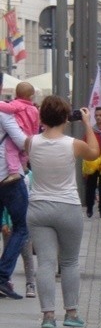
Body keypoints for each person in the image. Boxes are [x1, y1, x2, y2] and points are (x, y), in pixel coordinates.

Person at [26, 97, 99, 328]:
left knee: (45, 263)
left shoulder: (31, 142)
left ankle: (48, 316)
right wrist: (87, 123)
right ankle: (71, 313)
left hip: (38, 207)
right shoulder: (73, 144)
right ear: (67, 118)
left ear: (42, 117)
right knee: (69, 262)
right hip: (67, 206)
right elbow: (94, 153)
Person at [0, 97, 32, 299]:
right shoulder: (4, 112)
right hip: (8, 178)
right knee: (22, 227)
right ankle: (2, 275)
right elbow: (22, 142)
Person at [0, 82, 39, 175]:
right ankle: (23, 166)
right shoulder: (34, 109)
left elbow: (7, 107)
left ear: (16, 94)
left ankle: (14, 171)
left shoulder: (16, 104)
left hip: (20, 130)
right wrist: (34, 136)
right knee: (24, 153)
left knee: (11, 150)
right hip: (29, 135)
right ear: (31, 96)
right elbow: (36, 126)